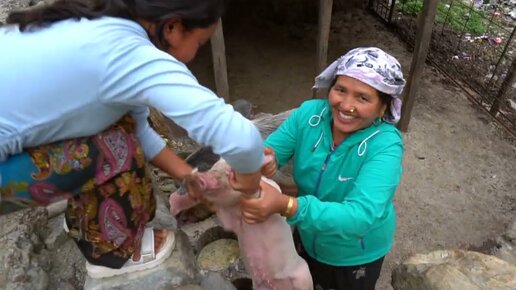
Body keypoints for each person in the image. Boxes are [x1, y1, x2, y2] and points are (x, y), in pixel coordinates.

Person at [0, 0, 264, 278]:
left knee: (119, 129)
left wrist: (188, 175)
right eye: (200, 42)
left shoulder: (101, 28)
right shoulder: (132, 56)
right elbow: (242, 139)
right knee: (114, 145)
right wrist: (248, 184)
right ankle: (111, 253)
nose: (196, 52)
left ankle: (84, 221)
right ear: (173, 27)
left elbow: (137, 126)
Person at [243, 47, 406, 290]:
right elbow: (274, 148)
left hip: (353, 254)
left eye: (362, 98)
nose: (346, 105)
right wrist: (265, 160)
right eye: (340, 90)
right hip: (309, 235)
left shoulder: (386, 146)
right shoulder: (310, 114)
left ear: (383, 107)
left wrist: (287, 205)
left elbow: (358, 218)